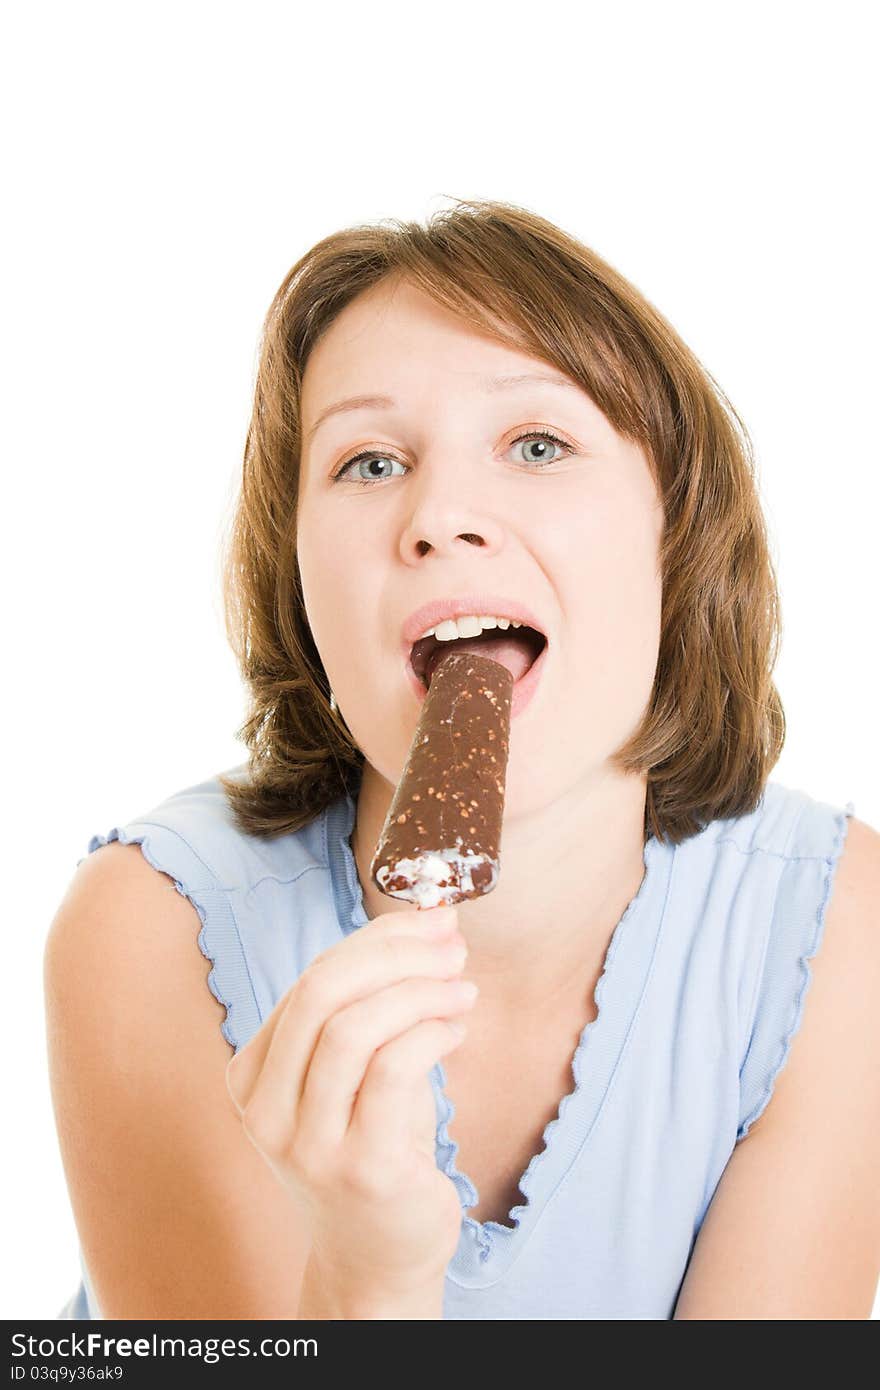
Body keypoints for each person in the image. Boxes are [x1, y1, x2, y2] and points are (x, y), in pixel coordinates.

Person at [45, 198, 880, 1321]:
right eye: (369, 461)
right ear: (300, 589)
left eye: (537, 444)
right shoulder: (152, 925)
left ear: (676, 540)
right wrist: (365, 1277)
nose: (439, 514)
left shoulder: (834, 928)